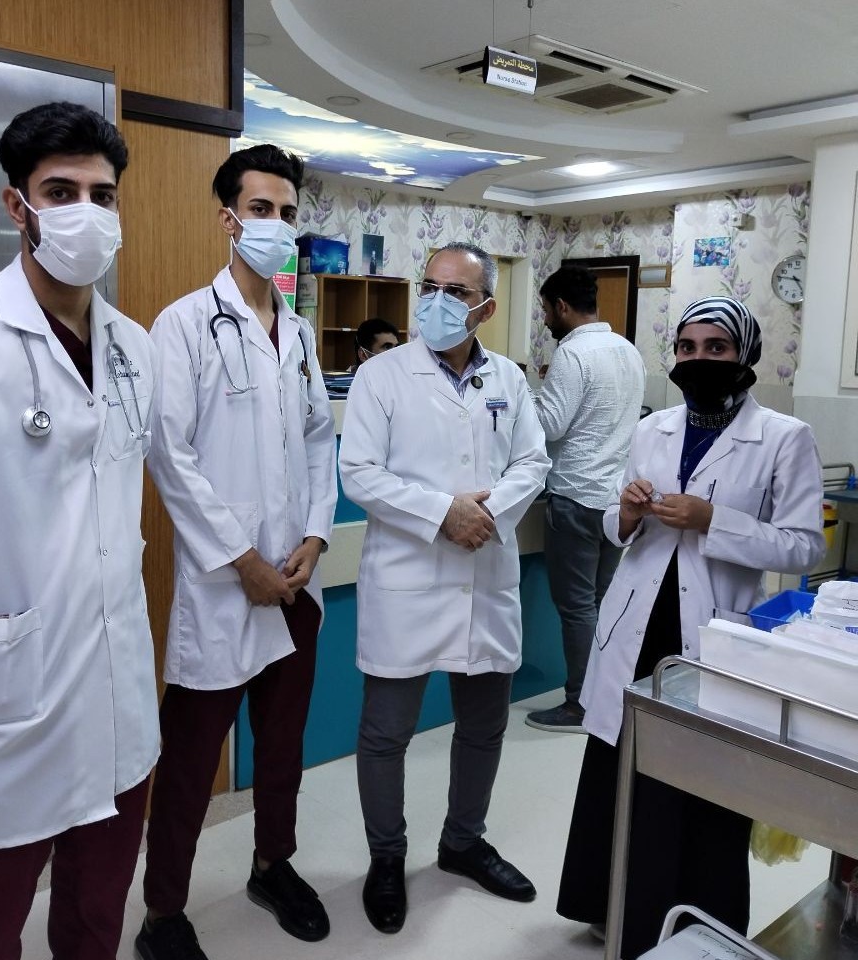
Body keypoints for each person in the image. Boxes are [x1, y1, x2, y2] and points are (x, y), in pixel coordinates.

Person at [0, 101, 158, 960]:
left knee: (97, 909)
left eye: (102, 195)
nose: (86, 211)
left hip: (115, 685)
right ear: (19, 206)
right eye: (61, 191)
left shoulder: (135, 350)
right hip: (6, 689)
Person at [556, 296, 825, 958]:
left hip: (710, 633)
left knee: (698, 784)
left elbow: (802, 546)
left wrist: (715, 521)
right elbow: (617, 525)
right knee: (621, 768)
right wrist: (624, 513)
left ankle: (691, 925)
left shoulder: (784, 437)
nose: (698, 359)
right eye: (686, 347)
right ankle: (610, 906)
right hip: (637, 624)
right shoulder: (654, 429)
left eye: (716, 347)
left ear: (745, 355)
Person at [135, 144, 337, 960]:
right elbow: (169, 454)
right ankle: (162, 913)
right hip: (225, 587)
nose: (276, 225)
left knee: (282, 748)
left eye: (287, 212)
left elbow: (319, 439)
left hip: (293, 581)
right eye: (261, 210)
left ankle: (271, 865)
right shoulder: (184, 324)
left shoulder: (300, 334)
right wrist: (240, 559)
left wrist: (315, 537)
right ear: (228, 218)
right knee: (190, 762)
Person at [339, 241, 550, 935]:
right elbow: (359, 472)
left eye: (455, 292)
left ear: (486, 306)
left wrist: (485, 515)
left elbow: (533, 462)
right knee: (386, 733)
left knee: (485, 724)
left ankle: (463, 842)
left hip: (485, 575)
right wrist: (442, 514)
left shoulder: (508, 378)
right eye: (428, 286)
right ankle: (387, 857)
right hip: (408, 577)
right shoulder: (382, 376)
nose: (436, 301)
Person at [525, 266, 645, 732]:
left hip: (576, 496)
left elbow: (550, 426)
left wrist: (525, 394)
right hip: (615, 502)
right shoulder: (627, 350)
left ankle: (579, 704)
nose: (545, 321)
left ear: (561, 306)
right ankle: (604, 696)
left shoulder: (573, 354)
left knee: (577, 607)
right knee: (599, 603)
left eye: (545, 311)